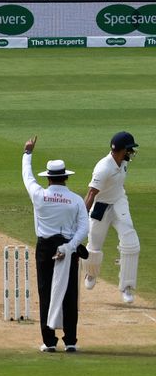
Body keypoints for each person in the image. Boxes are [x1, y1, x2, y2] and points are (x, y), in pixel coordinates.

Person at [22, 136, 88, 353]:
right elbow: (84, 228)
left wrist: (27, 154)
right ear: (65, 178)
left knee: (45, 291)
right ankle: (70, 341)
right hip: (68, 248)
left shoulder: (39, 195)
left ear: (49, 179)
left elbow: (27, 177)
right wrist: (70, 247)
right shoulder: (77, 199)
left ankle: (49, 342)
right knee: (69, 293)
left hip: (45, 248)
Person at [82, 131, 140, 304]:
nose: (130, 153)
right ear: (121, 150)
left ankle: (127, 287)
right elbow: (91, 194)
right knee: (94, 245)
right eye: (129, 150)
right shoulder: (103, 168)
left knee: (131, 242)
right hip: (100, 206)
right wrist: (81, 218)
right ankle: (91, 272)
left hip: (119, 202)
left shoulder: (122, 162)